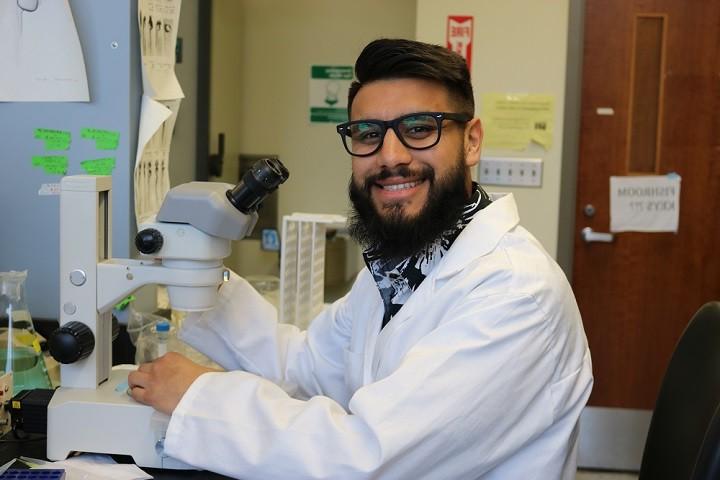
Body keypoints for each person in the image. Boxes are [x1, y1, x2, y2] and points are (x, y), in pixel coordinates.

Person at [128, 38, 593, 479]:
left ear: (471, 142)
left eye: (418, 129)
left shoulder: (515, 294)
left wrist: (201, 398)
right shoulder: (402, 267)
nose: (390, 156)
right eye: (368, 134)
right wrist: (201, 273)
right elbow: (304, 367)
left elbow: (366, 458)